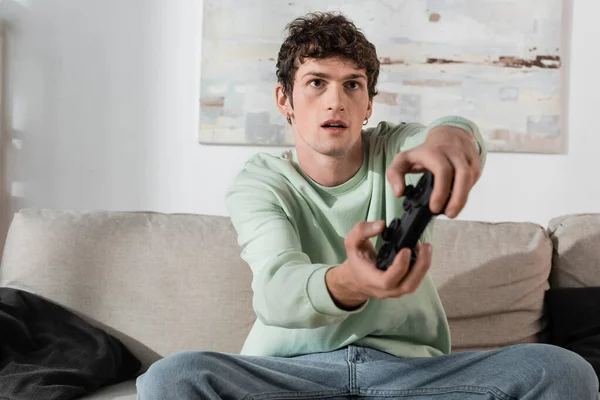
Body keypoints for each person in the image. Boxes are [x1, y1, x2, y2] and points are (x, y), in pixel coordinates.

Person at [136, 11, 598, 399]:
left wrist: (454, 140)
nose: (336, 101)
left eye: (352, 85)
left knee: (561, 369)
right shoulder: (261, 181)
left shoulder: (396, 148)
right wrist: (350, 283)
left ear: (370, 103)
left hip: (410, 375)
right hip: (294, 376)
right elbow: (277, 290)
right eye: (316, 82)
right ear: (285, 100)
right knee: (171, 378)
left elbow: (444, 132)